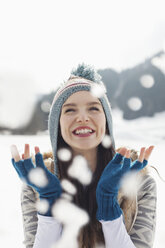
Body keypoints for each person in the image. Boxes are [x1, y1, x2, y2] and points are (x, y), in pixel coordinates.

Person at [11, 64, 157, 248]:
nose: (82, 118)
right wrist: (49, 202)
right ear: (57, 123)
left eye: (94, 108)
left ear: (107, 120)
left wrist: (109, 207)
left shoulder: (139, 182)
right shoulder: (37, 184)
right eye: (70, 110)